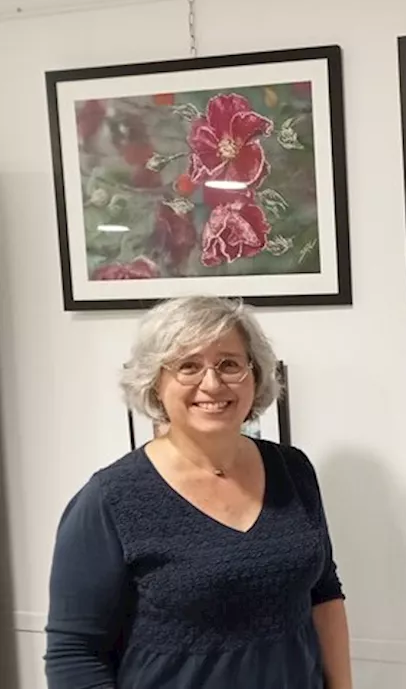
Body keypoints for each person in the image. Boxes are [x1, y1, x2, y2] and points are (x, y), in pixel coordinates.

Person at [43, 295, 353, 689]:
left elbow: (324, 592)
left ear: (255, 375)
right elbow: (74, 653)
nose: (212, 383)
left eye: (229, 364)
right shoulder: (110, 499)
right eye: (188, 366)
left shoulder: (293, 470)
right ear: (155, 382)